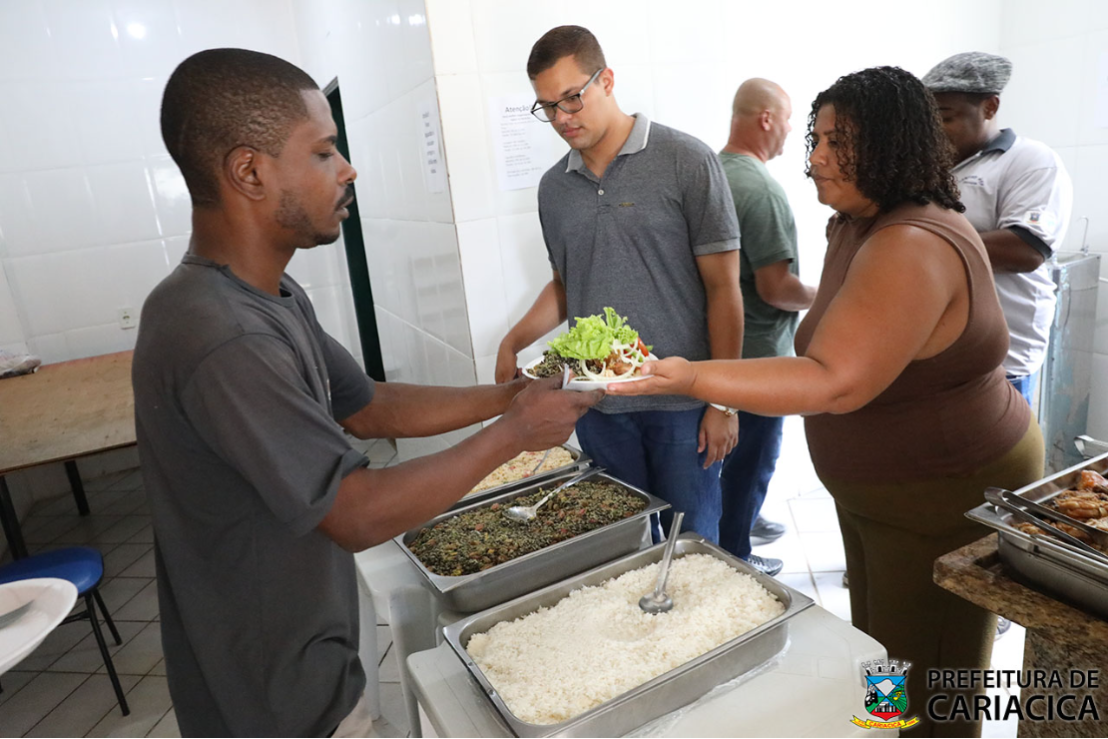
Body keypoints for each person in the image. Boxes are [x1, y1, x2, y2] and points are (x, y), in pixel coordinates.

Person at [133, 49, 601, 738]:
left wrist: (510, 397)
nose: (347, 169)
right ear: (249, 172)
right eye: (324, 152)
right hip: (270, 704)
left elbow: (369, 405)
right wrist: (515, 435)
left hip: (308, 662)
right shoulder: (222, 334)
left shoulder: (268, 295)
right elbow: (353, 511)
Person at [609, 67, 1044, 737]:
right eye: (817, 139)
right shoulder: (855, 224)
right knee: (881, 647)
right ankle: (886, 726)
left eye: (838, 142)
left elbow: (834, 380)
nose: (814, 157)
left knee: (928, 669)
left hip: (938, 491)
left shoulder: (912, 243)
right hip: (882, 494)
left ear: (892, 146)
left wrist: (690, 378)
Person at [495, 26, 743, 543]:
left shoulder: (686, 160)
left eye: (572, 98)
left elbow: (724, 289)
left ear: (606, 81)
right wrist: (512, 340)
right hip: (598, 406)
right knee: (623, 547)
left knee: (694, 547)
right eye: (548, 107)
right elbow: (567, 285)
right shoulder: (553, 188)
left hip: (683, 403)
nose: (562, 118)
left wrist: (723, 402)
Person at [923, 52, 1073, 408]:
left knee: (993, 443)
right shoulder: (928, 168)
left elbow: (1024, 249)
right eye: (928, 119)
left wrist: (916, 245)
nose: (934, 130)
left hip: (1002, 361)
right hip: (936, 354)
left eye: (945, 117)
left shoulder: (1031, 161)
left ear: (990, 107)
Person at [717, 79, 816, 575]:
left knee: (725, 456)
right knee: (754, 458)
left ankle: (741, 520)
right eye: (790, 119)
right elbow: (777, 288)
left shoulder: (711, 173)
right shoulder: (761, 190)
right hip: (759, 353)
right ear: (766, 119)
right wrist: (828, 296)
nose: (792, 131)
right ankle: (736, 552)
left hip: (716, 351)